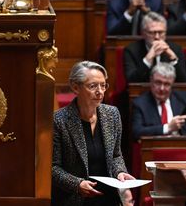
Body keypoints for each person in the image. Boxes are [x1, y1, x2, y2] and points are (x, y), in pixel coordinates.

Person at [52, 61, 135, 206]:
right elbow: (52, 168)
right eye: (93, 86)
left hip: (108, 197)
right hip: (75, 199)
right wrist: (77, 184)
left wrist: (120, 172)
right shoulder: (59, 120)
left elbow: (116, 155)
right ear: (75, 87)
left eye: (103, 85)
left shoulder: (112, 114)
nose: (100, 91)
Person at [131, 62, 186, 139]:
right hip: (156, 148)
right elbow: (137, 132)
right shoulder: (140, 103)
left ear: (172, 84)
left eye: (167, 84)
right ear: (151, 81)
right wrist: (167, 127)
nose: (162, 88)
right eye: (158, 83)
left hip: (183, 147)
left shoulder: (185, 99)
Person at [123, 11, 186, 82]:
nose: (157, 37)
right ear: (143, 33)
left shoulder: (176, 49)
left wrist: (173, 59)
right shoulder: (131, 50)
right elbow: (131, 81)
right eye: (152, 33)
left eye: (161, 32)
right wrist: (148, 59)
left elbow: (183, 82)